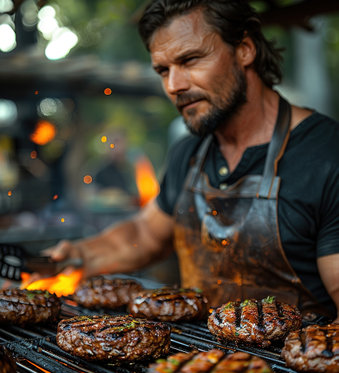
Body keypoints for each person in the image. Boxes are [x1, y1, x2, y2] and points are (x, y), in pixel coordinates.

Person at [46, 0, 339, 322]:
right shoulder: (188, 153)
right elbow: (145, 235)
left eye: (190, 60)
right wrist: (78, 255)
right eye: (163, 70)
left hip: (291, 371)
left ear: (244, 49)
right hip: (196, 366)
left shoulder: (326, 155)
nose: (174, 86)